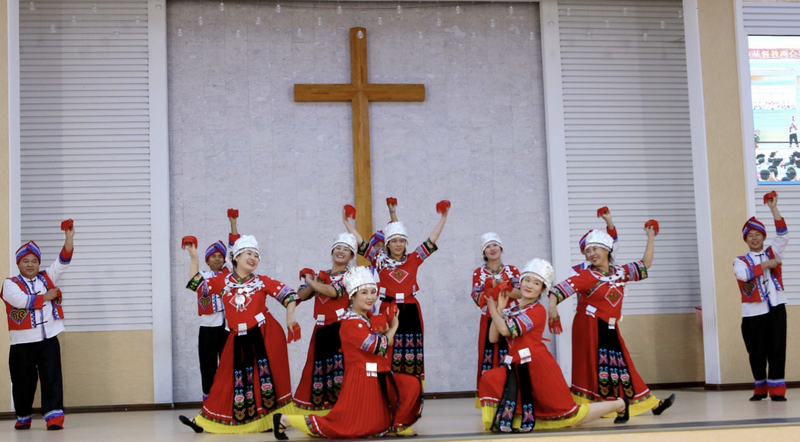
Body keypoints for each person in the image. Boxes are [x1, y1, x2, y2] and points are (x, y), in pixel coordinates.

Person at [479, 258, 629, 431]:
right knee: (489, 378)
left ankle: (620, 404)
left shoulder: (537, 311)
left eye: (536, 283)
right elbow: (492, 338)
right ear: (519, 283)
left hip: (539, 368)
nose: (529, 285)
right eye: (527, 280)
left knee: (570, 416)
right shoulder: (512, 311)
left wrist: (492, 307)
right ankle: (508, 421)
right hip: (518, 368)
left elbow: (506, 332)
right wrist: (498, 309)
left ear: (542, 289)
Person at [274, 266, 422, 439]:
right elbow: (379, 347)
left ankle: (394, 425)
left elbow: (380, 334)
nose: (370, 297)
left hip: (375, 373)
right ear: (352, 296)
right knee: (347, 427)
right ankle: (284, 420)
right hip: (362, 378)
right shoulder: (351, 323)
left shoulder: (364, 318)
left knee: (410, 386)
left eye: (373, 292)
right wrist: (395, 326)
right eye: (364, 292)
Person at [547, 228, 676, 417]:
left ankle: (649, 403)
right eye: (588, 251)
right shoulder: (586, 276)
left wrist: (650, 237)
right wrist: (552, 309)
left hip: (609, 326)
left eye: (595, 249)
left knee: (619, 366)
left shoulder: (620, 273)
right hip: (589, 326)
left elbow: (645, 264)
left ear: (607, 249)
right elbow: (558, 290)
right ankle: (608, 406)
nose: (591, 254)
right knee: (597, 367)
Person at [179, 235, 299, 433]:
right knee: (225, 379)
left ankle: (272, 420)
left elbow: (289, 295)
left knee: (266, 377)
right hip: (237, 336)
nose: (254, 258)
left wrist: (290, 316)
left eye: (256, 255)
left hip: (265, 333)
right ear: (236, 257)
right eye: (249, 254)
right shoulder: (222, 281)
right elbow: (196, 285)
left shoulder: (262, 281)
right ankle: (203, 421)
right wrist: (194, 259)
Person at [342, 201, 449, 385]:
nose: (398, 244)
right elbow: (360, 241)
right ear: (387, 244)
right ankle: (390, 393)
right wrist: (346, 222)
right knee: (389, 348)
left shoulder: (414, 259)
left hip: (411, 309)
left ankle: (413, 393)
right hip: (388, 308)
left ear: (405, 243)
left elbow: (431, 239)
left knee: (412, 351)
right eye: (393, 241)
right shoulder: (379, 259)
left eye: (401, 241)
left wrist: (444, 218)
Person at [1, 223, 75, 430]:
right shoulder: (10, 284)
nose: (31, 264)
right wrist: (47, 296)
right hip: (22, 343)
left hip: (48, 339)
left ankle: (53, 418)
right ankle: (23, 416)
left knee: (52, 378)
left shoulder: (46, 277)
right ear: (19, 263)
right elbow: (20, 301)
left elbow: (63, 262)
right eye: (26, 261)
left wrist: (69, 238)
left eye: (34, 261)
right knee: (23, 383)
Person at [293, 232, 358, 414]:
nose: (341, 252)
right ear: (332, 251)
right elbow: (300, 296)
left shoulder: (351, 275)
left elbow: (333, 292)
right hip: (320, 328)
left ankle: (343, 409)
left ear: (352, 256)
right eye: (338, 248)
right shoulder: (321, 275)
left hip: (340, 327)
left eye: (346, 250)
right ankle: (320, 409)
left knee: (339, 367)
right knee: (317, 366)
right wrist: (310, 282)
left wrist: (312, 281)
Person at [733, 195, 788, 401]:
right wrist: (766, 265)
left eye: (758, 234)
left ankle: (777, 390)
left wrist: (774, 208)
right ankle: (759, 388)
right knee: (756, 352)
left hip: (775, 308)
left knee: (777, 349)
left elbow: (783, 236)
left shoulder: (772, 252)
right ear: (746, 239)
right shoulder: (739, 260)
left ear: (764, 237)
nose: (755, 238)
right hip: (753, 312)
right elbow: (743, 274)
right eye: (750, 236)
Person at [185, 213, 240, 400]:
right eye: (213, 257)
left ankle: (230, 402)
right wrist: (194, 256)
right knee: (207, 367)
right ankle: (209, 403)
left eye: (220, 256)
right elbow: (193, 283)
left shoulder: (230, 275)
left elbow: (235, 251)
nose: (217, 259)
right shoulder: (203, 277)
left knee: (229, 365)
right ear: (207, 261)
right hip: (208, 328)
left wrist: (233, 224)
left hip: (227, 328)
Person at [470, 232, 520, 389]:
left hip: (510, 318)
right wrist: (490, 288)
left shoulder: (512, 270)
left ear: (501, 248)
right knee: (488, 354)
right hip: (489, 317)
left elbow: (520, 294)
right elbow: (477, 298)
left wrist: (503, 286)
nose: (492, 249)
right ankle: (489, 394)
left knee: (510, 354)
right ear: (483, 252)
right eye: (488, 247)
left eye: (495, 245)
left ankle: (511, 392)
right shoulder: (478, 273)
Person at [572, 208, 619, 275]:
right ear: (583, 252)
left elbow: (613, 242)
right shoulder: (576, 271)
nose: (592, 253)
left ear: (605, 250)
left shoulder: (606, 261)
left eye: (595, 249)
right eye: (588, 251)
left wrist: (608, 220)